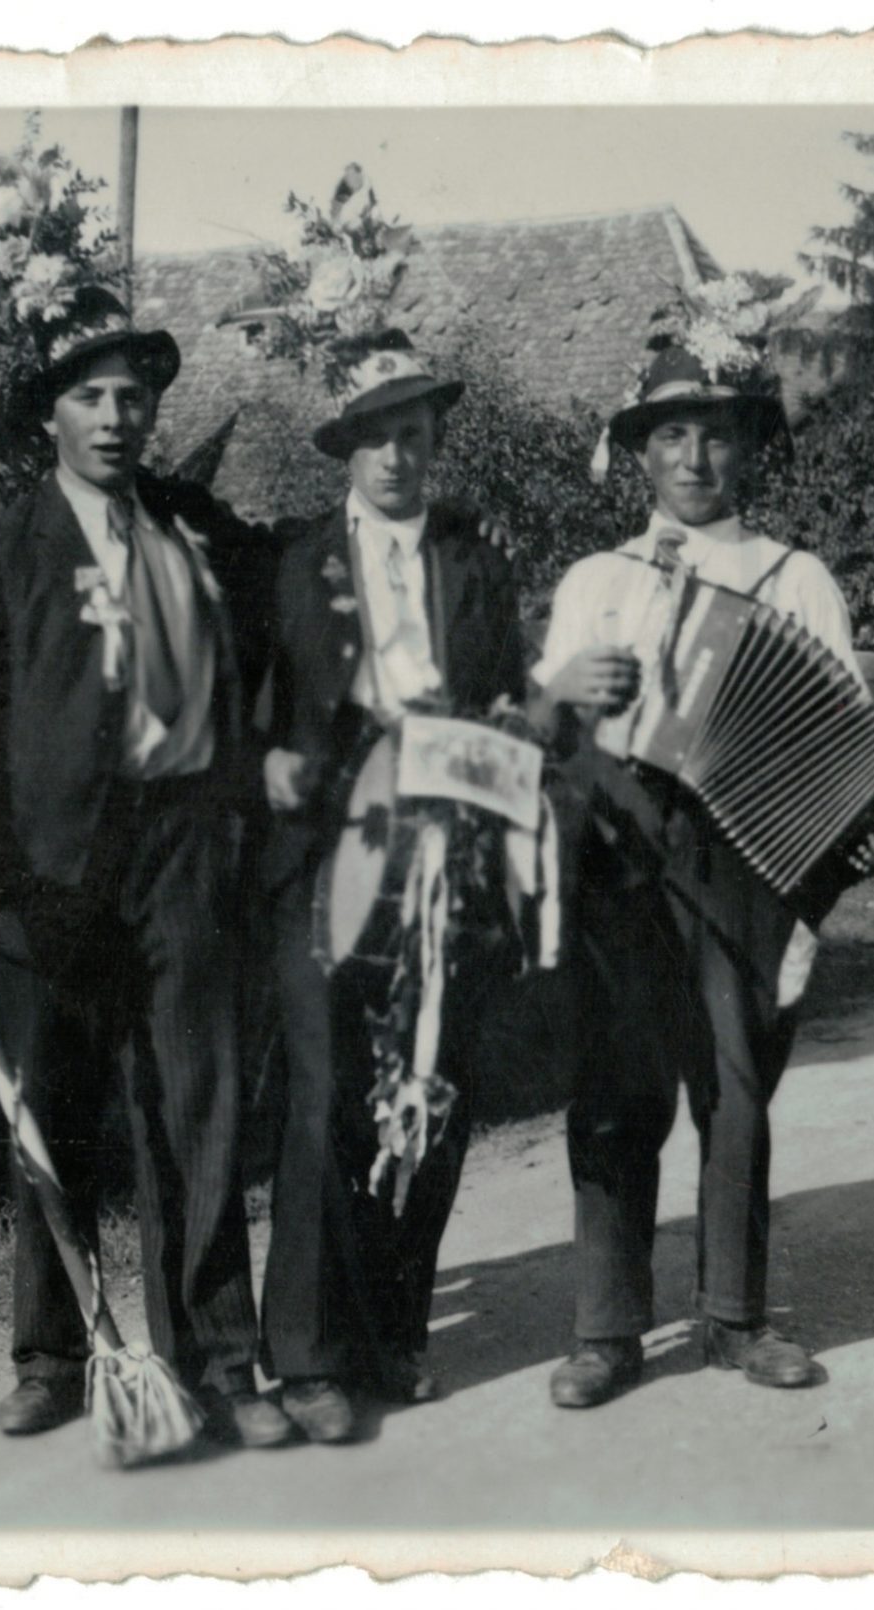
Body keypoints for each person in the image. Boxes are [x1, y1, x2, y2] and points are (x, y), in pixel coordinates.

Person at [0, 285, 295, 1451]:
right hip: (44, 869)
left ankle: (222, 1357)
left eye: (133, 396)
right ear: (49, 414)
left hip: (183, 853)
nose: (115, 417)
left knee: (197, 1102)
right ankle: (50, 1354)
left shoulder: (195, 528)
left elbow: (298, 587)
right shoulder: (0, 551)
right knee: (55, 1104)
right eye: (90, 396)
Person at [530, 323, 874, 1410]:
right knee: (614, 1080)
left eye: (715, 437)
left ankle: (734, 1316)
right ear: (639, 454)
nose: (694, 458)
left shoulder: (795, 578)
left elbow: (844, 734)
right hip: (620, 847)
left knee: (735, 1084)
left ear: (746, 451)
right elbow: (544, 734)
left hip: (750, 851)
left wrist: (853, 828)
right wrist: (566, 695)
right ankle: (606, 1327)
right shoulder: (595, 580)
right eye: (672, 437)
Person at [254, 329, 528, 1443]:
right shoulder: (296, 559)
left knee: (430, 1082)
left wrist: (505, 726)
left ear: (436, 444)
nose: (396, 458)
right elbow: (264, 703)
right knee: (325, 1088)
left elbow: (505, 687)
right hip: (329, 849)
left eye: (414, 435)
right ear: (346, 450)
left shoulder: (475, 556)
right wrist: (270, 760)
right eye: (376, 437)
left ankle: (394, 1331)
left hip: (448, 846)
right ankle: (308, 1352)